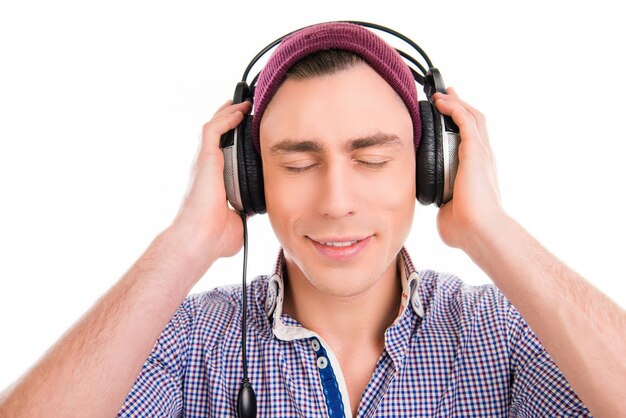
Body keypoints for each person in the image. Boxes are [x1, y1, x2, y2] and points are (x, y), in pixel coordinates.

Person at [0, 21, 624, 418]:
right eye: (298, 165)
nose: (336, 201)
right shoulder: (187, 344)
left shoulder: (505, 336)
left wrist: (492, 231)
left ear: (433, 168)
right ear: (248, 178)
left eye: (373, 158)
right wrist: (183, 244)